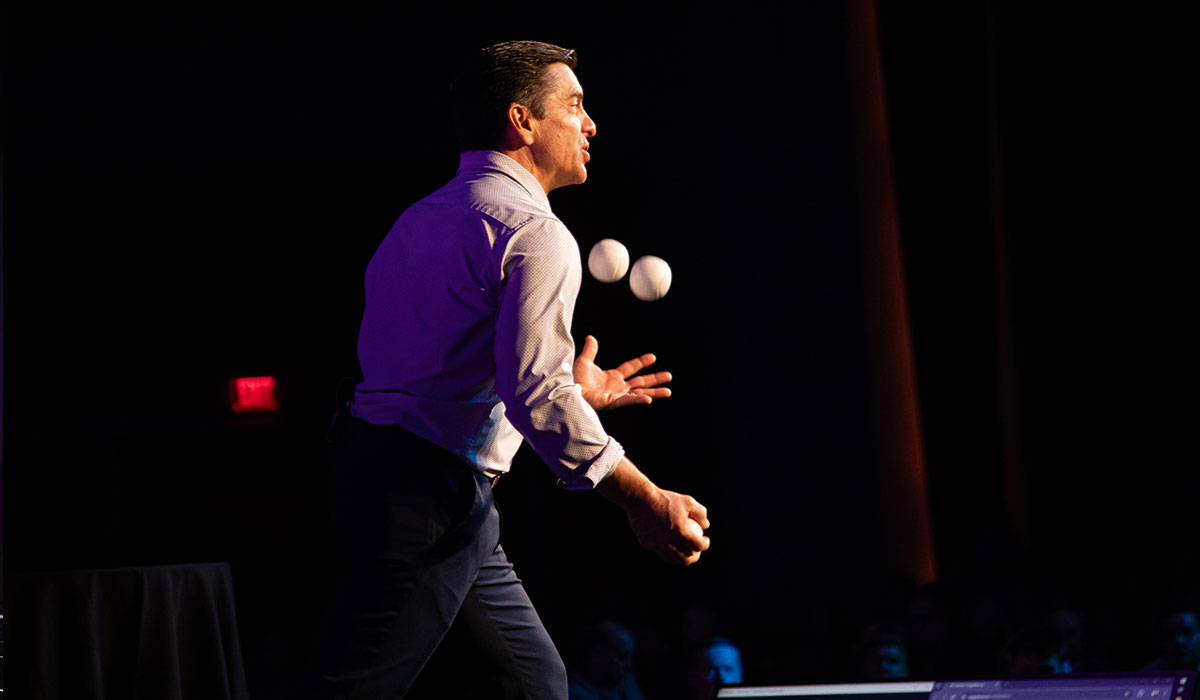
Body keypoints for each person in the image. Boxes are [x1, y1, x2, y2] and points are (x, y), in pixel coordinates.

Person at [302, 40, 711, 700]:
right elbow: (532, 395)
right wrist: (648, 500)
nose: (591, 124)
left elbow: (448, 376)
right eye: (574, 106)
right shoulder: (533, 230)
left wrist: (570, 395)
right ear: (522, 120)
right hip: (429, 492)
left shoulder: (416, 220)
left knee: (534, 683)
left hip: (388, 472)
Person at [567, 620, 646, 700]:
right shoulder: (572, 695)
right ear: (598, 654)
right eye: (622, 657)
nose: (629, 667)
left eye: (630, 658)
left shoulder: (628, 684)